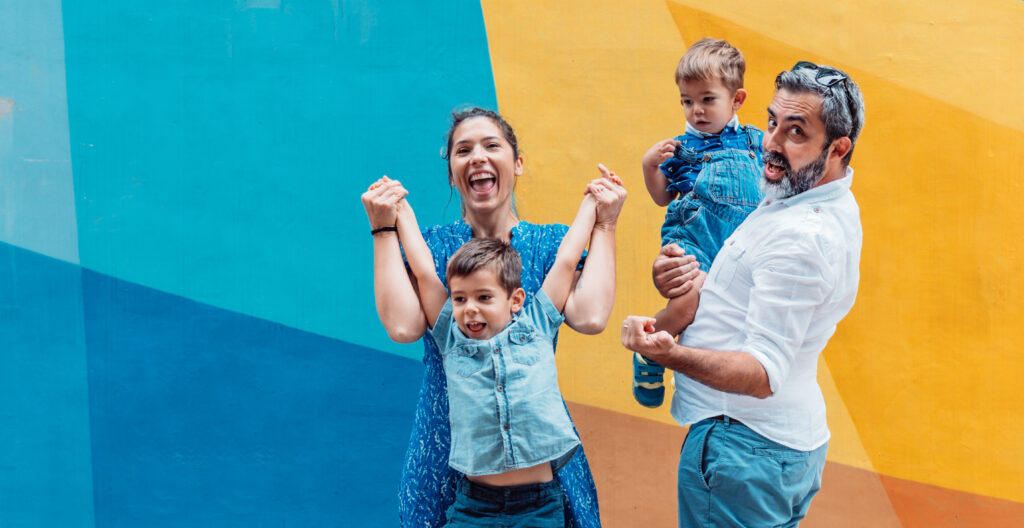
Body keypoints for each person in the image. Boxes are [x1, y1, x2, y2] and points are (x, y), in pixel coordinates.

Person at [621, 61, 865, 527]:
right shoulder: (809, 197)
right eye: (772, 122)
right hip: (767, 451)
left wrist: (667, 353)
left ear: (838, 148)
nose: (772, 143)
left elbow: (762, 373)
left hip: (743, 447)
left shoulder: (801, 236)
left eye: (796, 132)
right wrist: (682, 275)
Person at [361, 107, 625, 528]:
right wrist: (384, 229)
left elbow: (591, 317)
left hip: (536, 462)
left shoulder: (550, 244)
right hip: (444, 448)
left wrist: (605, 224)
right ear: (452, 174)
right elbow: (403, 326)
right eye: (463, 150)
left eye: (491, 145)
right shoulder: (428, 247)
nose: (478, 157)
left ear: (517, 164)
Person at [390, 170, 609, 524]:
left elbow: (567, 260)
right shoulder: (451, 339)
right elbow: (425, 272)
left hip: (539, 504)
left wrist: (592, 203)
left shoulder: (537, 326)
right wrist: (400, 211)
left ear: (516, 299)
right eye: (460, 299)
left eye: (484, 297)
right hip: (474, 505)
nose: (470, 308)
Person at [633, 38, 764, 408]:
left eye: (708, 99)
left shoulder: (757, 142)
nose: (697, 111)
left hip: (740, 244)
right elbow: (662, 196)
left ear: (737, 99)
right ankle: (651, 346)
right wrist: (649, 165)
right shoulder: (680, 149)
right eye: (687, 101)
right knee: (688, 304)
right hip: (694, 238)